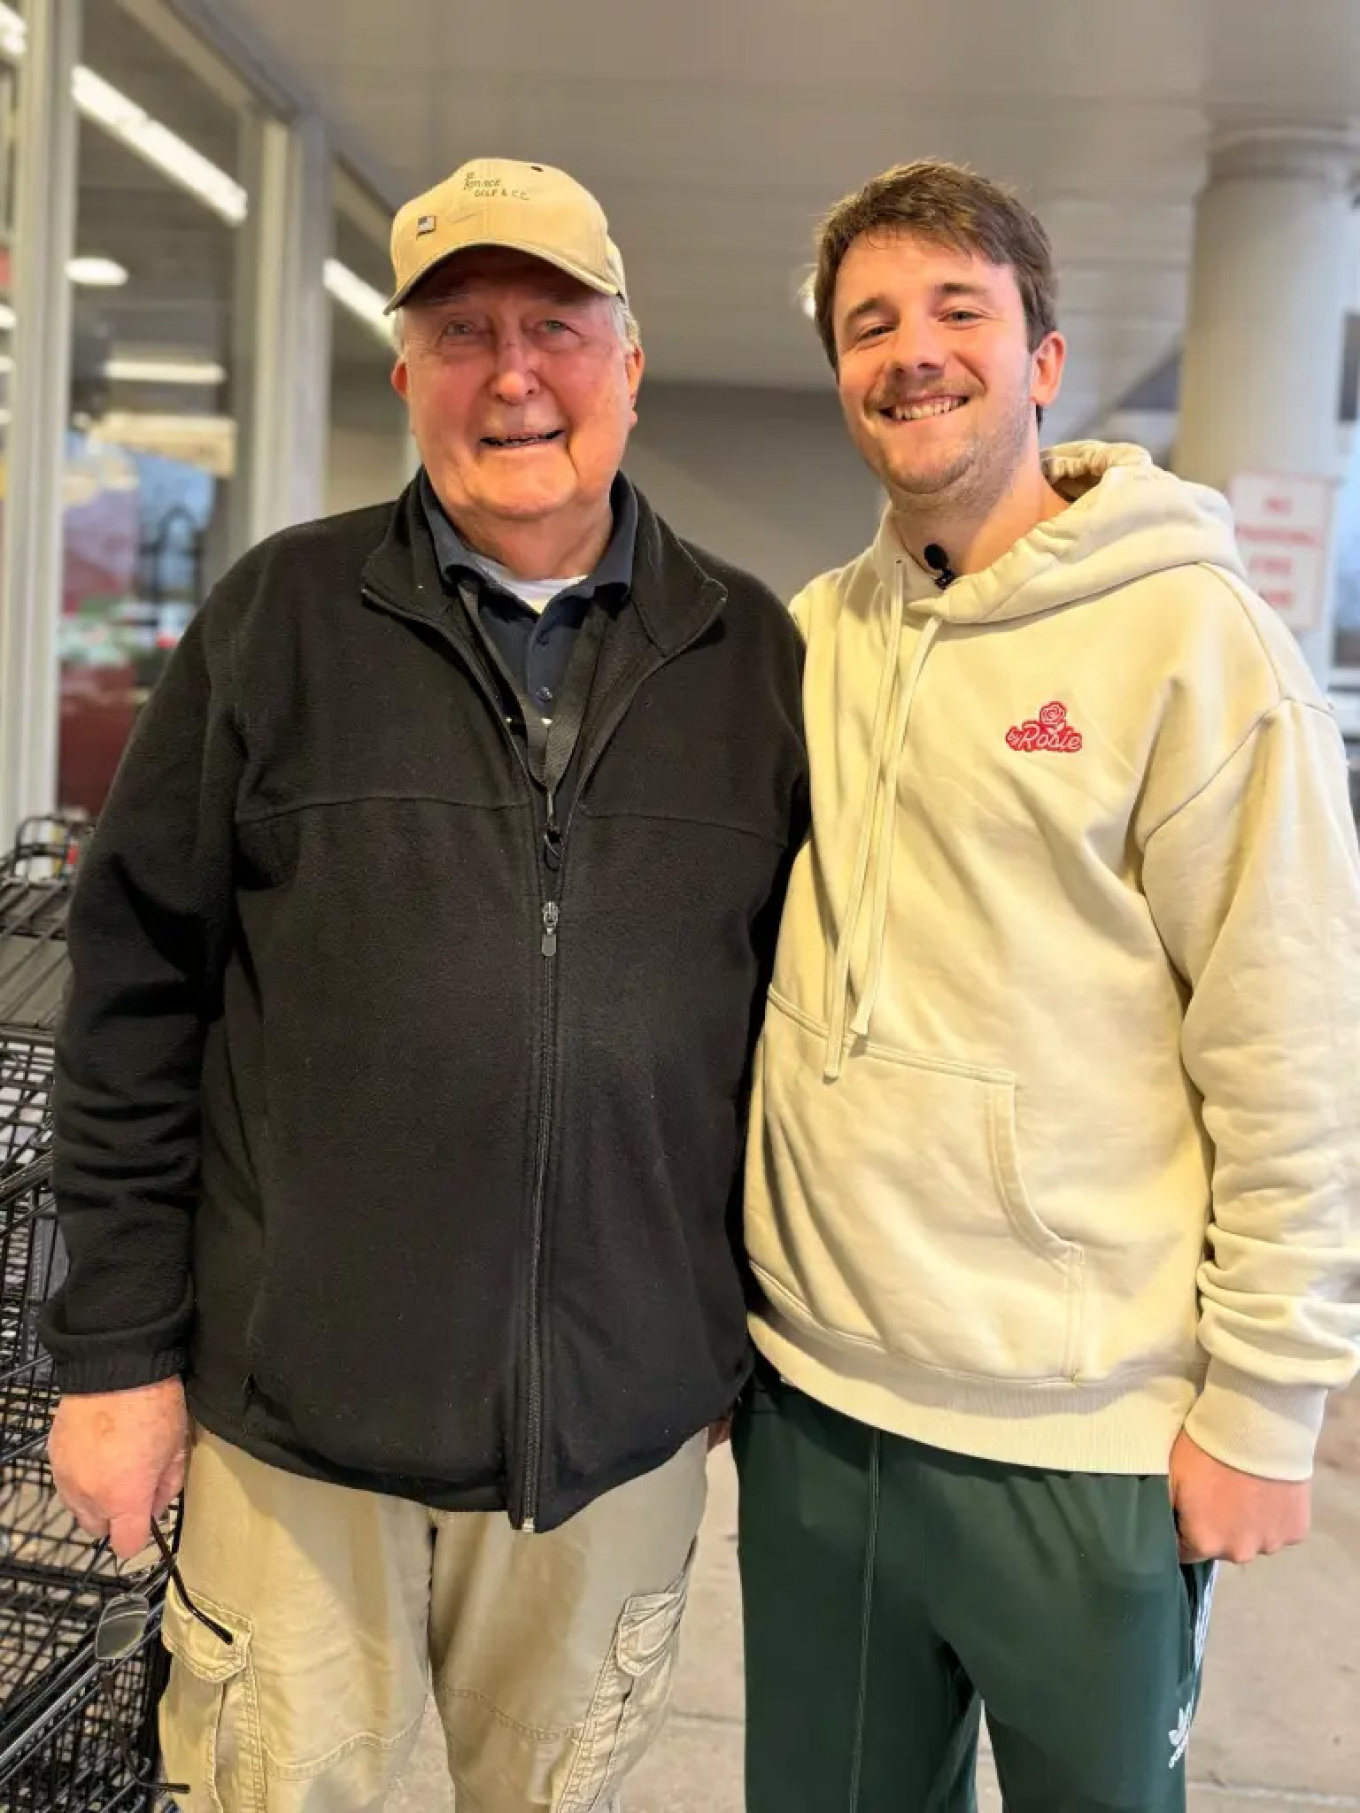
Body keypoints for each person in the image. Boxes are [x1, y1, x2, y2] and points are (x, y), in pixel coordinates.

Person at [43, 156, 806, 1813]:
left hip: (613, 1440)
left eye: (556, 326)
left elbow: (801, 1031)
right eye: (461, 331)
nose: (512, 372)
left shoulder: (752, 658)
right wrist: (112, 1356)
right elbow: (132, 999)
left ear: (629, 360)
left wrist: (728, 1338)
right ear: (406, 377)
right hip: (295, 1431)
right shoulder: (279, 620)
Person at [737, 159, 1360, 1813]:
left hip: (1084, 1438)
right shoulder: (816, 639)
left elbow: (1295, 1043)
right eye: (869, 323)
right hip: (817, 1404)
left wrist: (1270, 1402)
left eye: (960, 310)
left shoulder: (1193, 640)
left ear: (1045, 361)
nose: (911, 352)